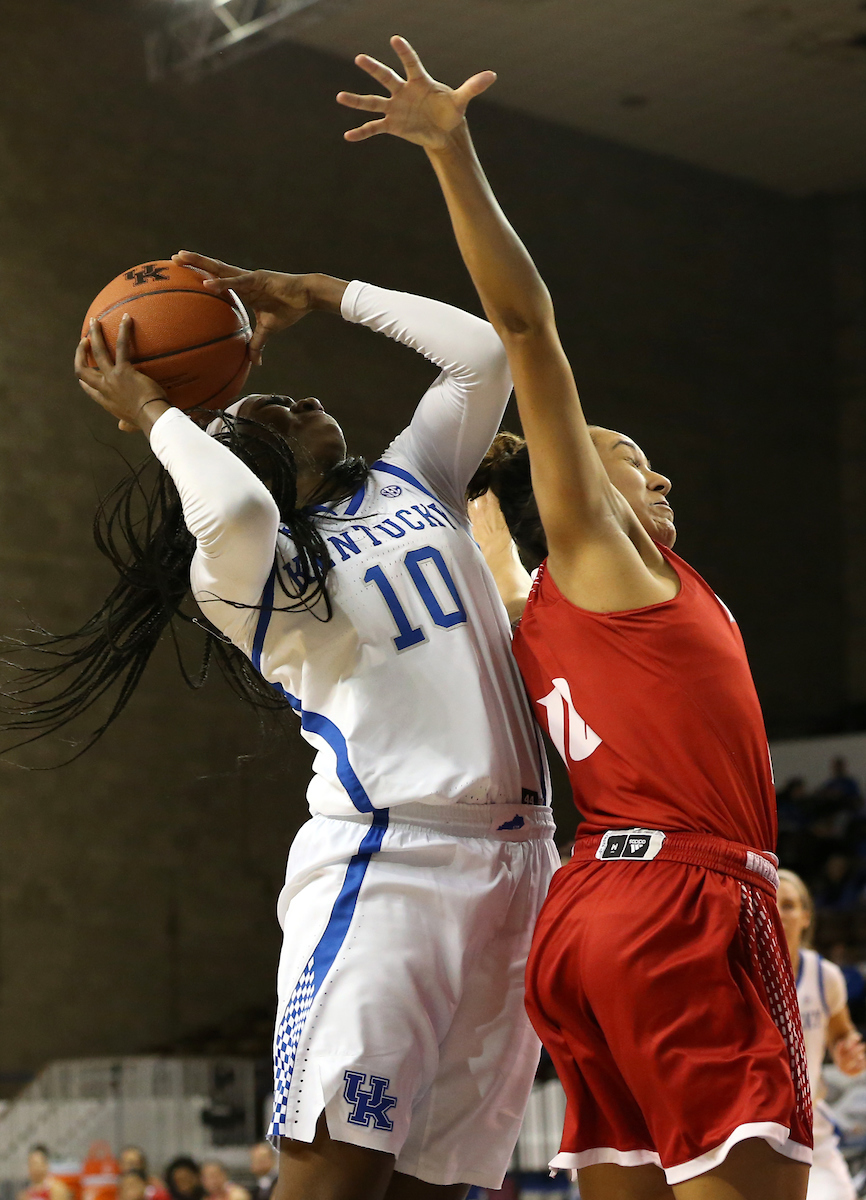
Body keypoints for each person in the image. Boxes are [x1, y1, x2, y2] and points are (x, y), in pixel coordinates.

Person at [337, 34, 813, 1200]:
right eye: (624, 459)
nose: (652, 478)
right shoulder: (603, 561)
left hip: (586, 913)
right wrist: (452, 153)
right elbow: (526, 331)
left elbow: (489, 540)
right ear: (579, 499)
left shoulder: (533, 603)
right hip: (688, 901)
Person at [66, 253, 556, 1200]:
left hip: (523, 864)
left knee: (437, 1185)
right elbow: (242, 503)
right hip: (390, 866)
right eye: (264, 411)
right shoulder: (248, 571)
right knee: (334, 1180)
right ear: (235, 449)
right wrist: (154, 413)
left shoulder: (417, 479)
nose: (292, 396)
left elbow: (483, 356)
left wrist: (319, 292)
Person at [777, 869, 866, 1200]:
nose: (778, 913)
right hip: (755, 1129)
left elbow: (844, 1036)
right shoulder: (743, 974)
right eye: (770, 904)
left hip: (811, 1130)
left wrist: (849, 1056)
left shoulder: (824, 975)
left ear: (805, 916)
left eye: (788, 905)